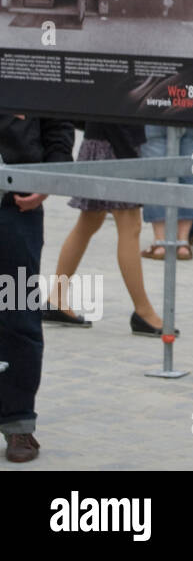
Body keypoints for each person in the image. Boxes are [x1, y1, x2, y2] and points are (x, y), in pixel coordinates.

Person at [48, 124, 171, 337]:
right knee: (129, 225)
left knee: (89, 222)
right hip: (115, 147)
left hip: (102, 143)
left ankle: (56, 297)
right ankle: (143, 311)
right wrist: (129, 155)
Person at [0, 113, 75, 463]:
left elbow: (57, 123)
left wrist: (50, 179)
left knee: (18, 313)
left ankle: (18, 424)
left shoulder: (30, 60)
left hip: (15, 207)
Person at [139, 125, 193, 261]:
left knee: (155, 175)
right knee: (190, 176)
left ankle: (160, 242)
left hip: (155, 109)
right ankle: (183, 243)